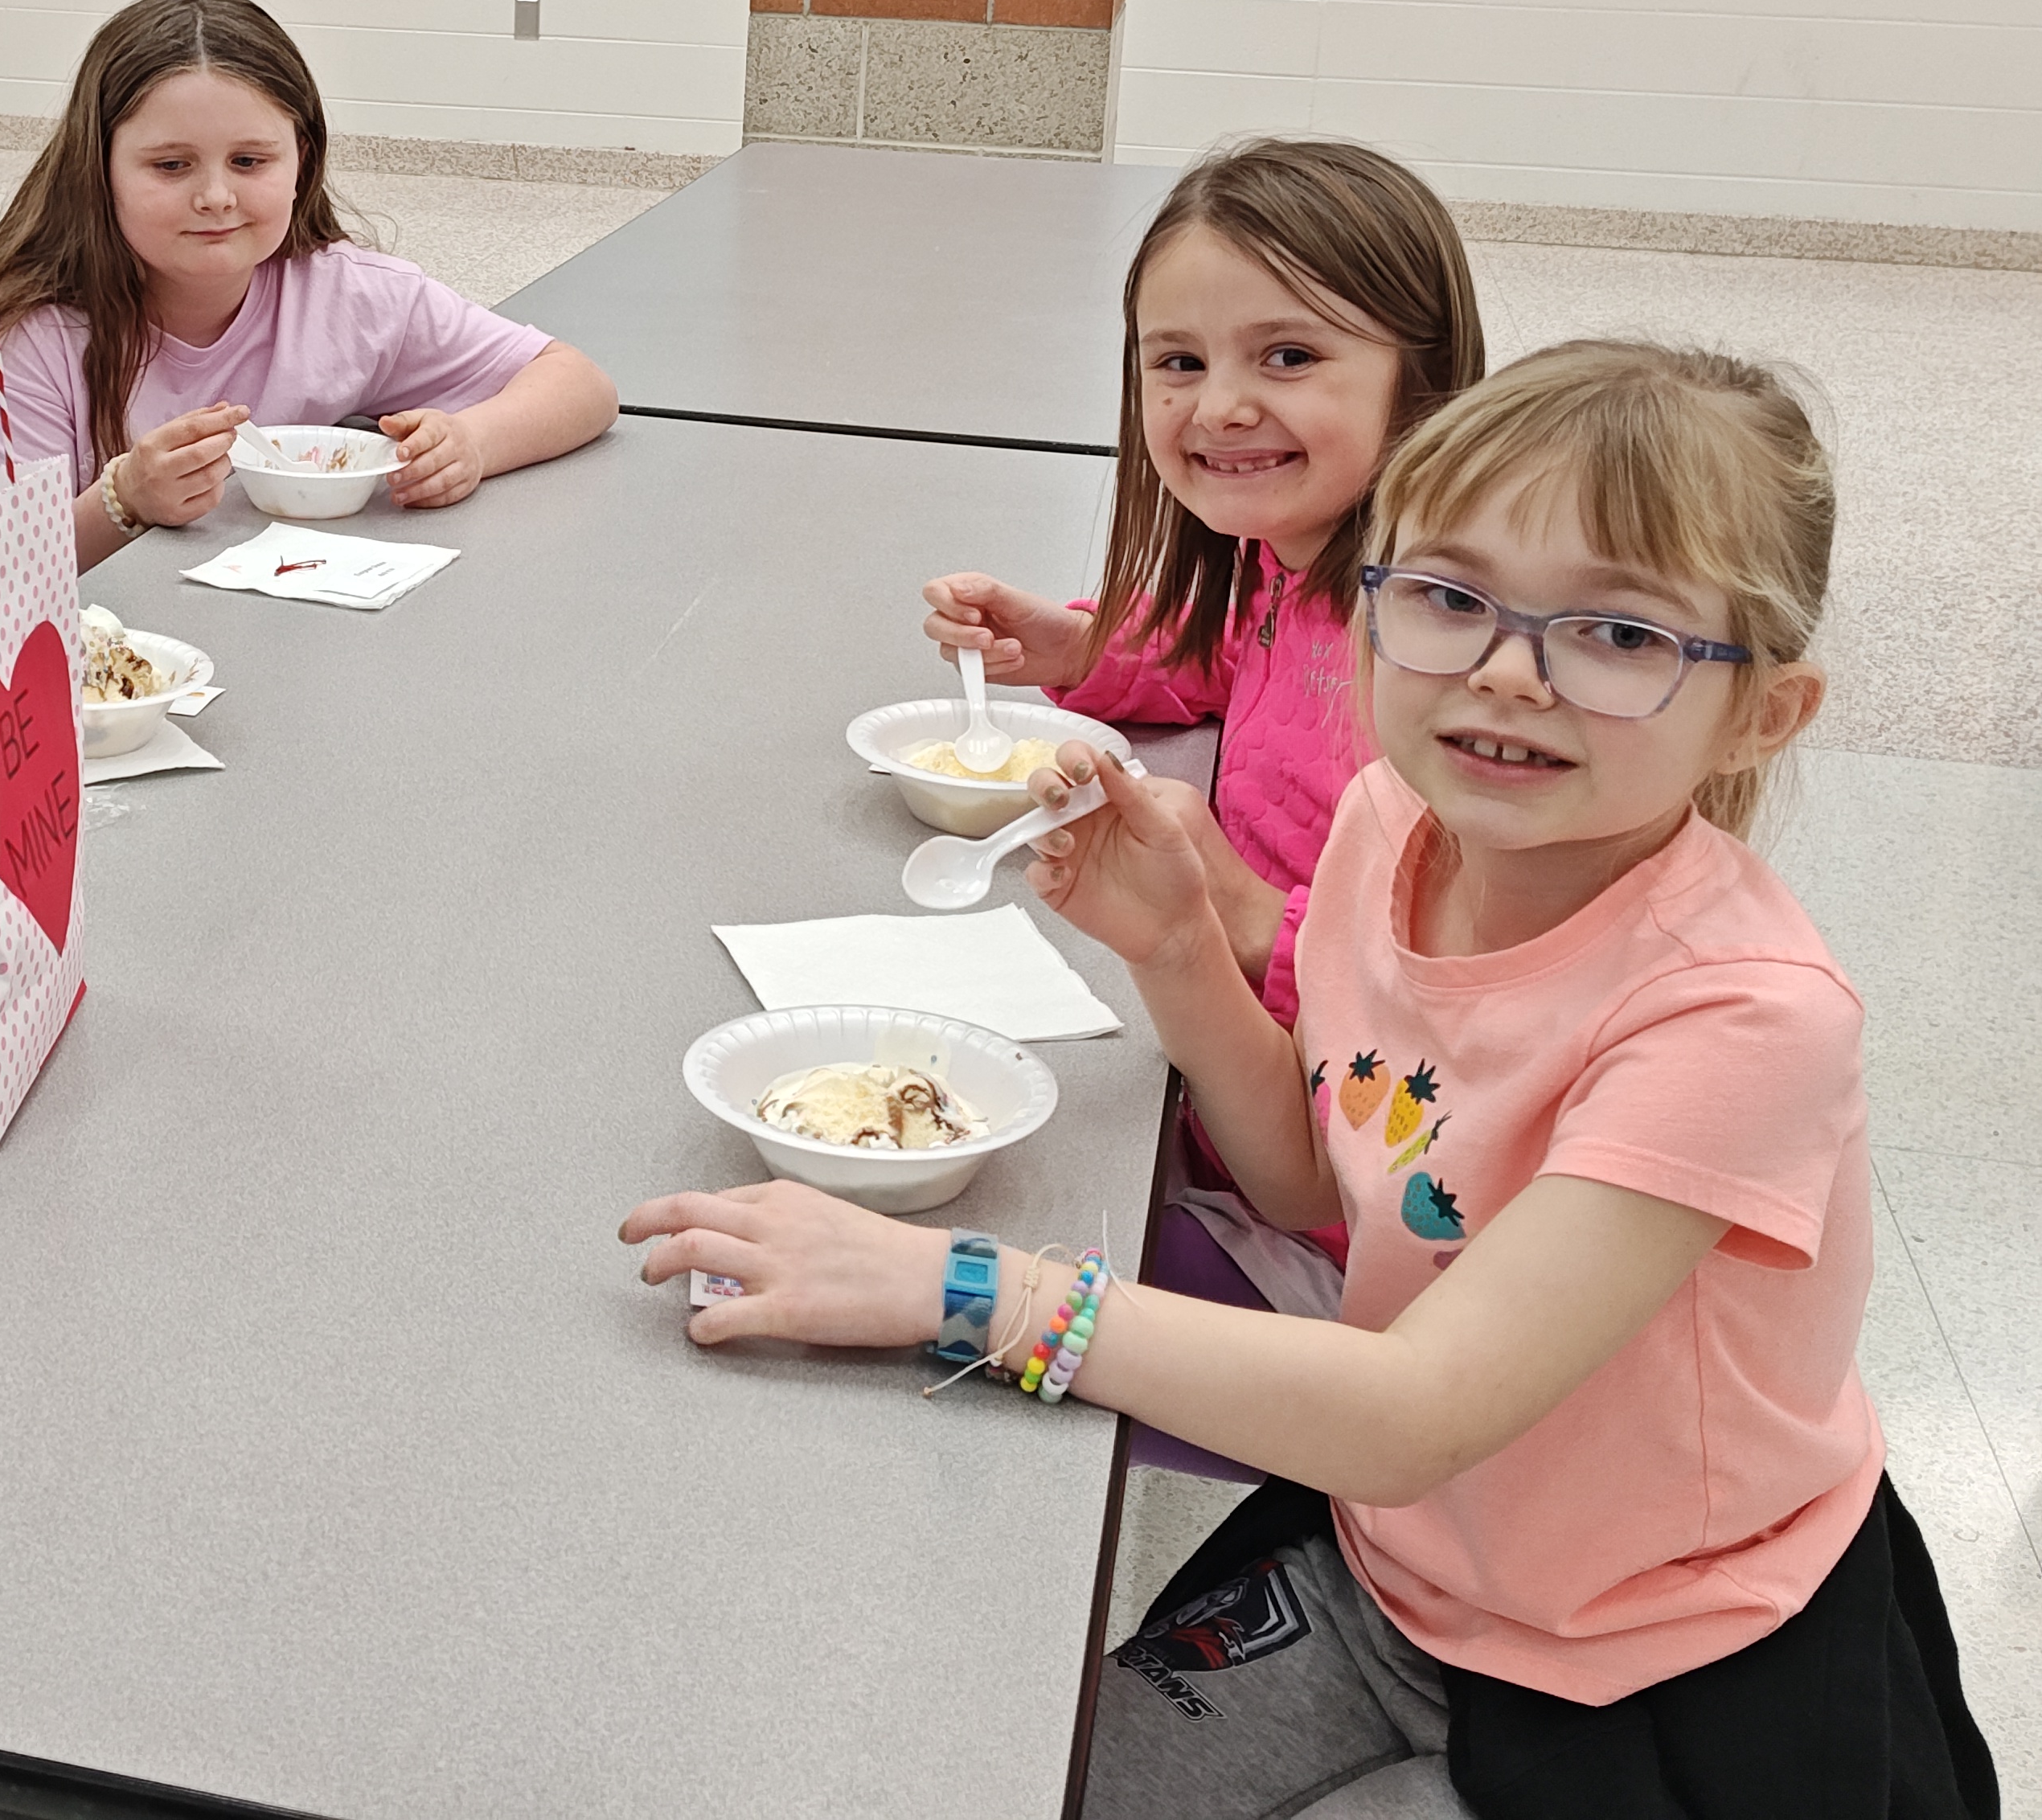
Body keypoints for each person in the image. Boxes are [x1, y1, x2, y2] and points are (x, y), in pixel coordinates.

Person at [628, 342, 1997, 1820]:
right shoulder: (1387, 821)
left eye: (1616, 632)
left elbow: (1413, 1405)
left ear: (1760, 712)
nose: (1504, 671)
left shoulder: (1738, 1018)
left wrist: (967, 1290)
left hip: (1667, 1668)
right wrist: (1178, 956)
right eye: (1449, 596)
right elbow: (1308, 1178)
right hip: (1398, 1571)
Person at [921, 141, 1479, 1321]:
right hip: (1233, 1106)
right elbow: (1224, 651)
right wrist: (1079, 648)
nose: (1220, 405)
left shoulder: (1440, 663)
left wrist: (1235, 913)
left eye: (1288, 355)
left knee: (950, 1263)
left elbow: (1452, 1020)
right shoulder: (1296, 561)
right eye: (1178, 360)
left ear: (1420, 383)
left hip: (1360, 1237)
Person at [0, 0, 616, 571]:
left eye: (249, 161)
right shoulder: (27, 340)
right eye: (171, 166)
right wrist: (123, 500)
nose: (216, 196)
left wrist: (471, 444)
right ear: (98, 167)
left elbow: (581, 385)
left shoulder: (348, 297)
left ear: (302, 160)